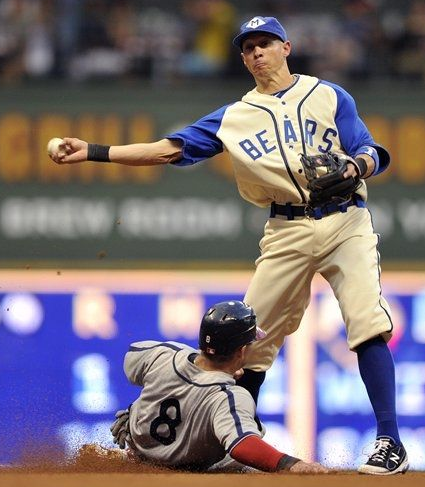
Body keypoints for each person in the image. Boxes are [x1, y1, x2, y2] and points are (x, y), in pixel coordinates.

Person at [50, 15, 408, 475]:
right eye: (248, 46)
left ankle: (389, 441)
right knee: (249, 341)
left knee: (366, 322)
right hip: (287, 228)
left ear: (286, 47)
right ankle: (239, 441)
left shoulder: (328, 95)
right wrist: (96, 152)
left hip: (346, 220)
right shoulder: (234, 117)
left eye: (266, 43)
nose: (257, 51)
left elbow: (373, 151)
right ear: (242, 58)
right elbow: (167, 150)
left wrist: (355, 167)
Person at [108, 300, 328, 473]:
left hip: (139, 448)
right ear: (241, 351)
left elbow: (132, 358)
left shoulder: (164, 354)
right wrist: (289, 464)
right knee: (249, 432)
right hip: (181, 468)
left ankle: (130, 454)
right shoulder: (229, 396)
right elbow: (242, 445)